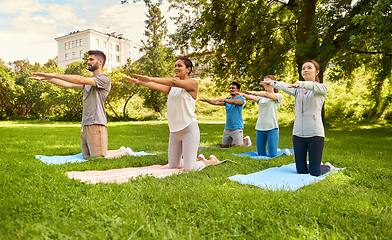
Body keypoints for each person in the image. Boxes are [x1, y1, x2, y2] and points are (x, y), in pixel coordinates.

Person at [28, 50, 133, 160]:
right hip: (86, 123)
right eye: (88, 59)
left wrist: (55, 74)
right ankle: (119, 151)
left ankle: (126, 152)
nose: (88, 62)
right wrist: (47, 80)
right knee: (87, 157)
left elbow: (79, 79)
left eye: (91, 59)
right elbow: (68, 84)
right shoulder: (89, 82)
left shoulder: (104, 79)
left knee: (98, 158)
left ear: (100, 62)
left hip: (96, 123)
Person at [123, 58, 219, 171]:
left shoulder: (192, 83)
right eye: (175, 65)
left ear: (188, 69)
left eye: (179, 65)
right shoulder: (172, 87)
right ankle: (196, 159)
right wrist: (140, 82)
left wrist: (150, 78)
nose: (176, 68)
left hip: (189, 129)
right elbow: (156, 86)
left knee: (190, 169)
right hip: (174, 131)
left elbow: (173, 81)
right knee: (173, 166)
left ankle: (208, 162)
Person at [260, 60, 334, 176]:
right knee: (301, 171)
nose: (305, 70)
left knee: (315, 173)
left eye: (309, 68)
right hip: (298, 134)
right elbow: (285, 86)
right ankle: (315, 164)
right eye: (303, 68)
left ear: (317, 72)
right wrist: (272, 83)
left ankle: (326, 166)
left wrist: (301, 84)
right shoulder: (297, 89)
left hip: (315, 135)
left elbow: (312, 86)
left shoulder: (322, 88)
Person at [235, 75, 283, 157]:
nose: (264, 85)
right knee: (261, 155)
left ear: (273, 84)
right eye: (263, 83)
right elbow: (254, 98)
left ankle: (284, 151)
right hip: (260, 127)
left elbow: (266, 95)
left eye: (266, 82)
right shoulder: (261, 97)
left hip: (272, 128)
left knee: (272, 155)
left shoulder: (278, 96)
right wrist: (243, 94)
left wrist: (253, 92)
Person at [199, 82, 251, 148]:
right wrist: (206, 100)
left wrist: (224, 99)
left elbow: (234, 102)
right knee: (224, 146)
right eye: (230, 88)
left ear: (238, 89)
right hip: (227, 127)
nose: (231, 89)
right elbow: (216, 102)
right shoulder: (227, 99)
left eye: (233, 88)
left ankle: (246, 139)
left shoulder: (240, 99)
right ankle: (234, 141)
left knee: (239, 147)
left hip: (237, 127)